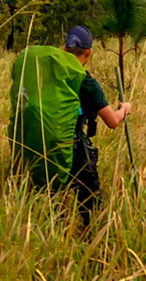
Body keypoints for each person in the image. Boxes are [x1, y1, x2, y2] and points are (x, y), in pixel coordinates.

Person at [8, 25, 130, 225]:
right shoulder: (86, 82)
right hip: (72, 146)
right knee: (90, 196)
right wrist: (124, 108)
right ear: (89, 52)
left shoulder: (48, 75)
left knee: (48, 194)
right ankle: (92, 234)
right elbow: (112, 121)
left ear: (64, 48)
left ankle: (51, 229)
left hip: (39, 143)